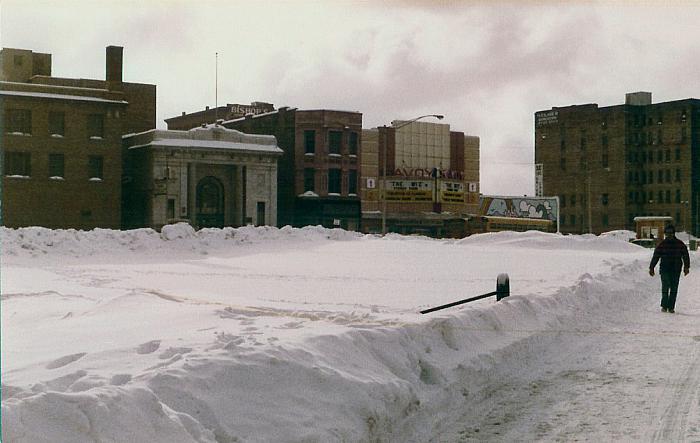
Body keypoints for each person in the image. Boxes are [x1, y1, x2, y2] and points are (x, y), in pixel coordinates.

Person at [648, 225, 690, 313]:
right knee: (665, 287)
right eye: (667, 233)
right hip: (664, 269)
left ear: (674, 233)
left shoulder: (679, 244)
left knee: (674, 289)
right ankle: (664, 305)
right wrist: (651, 267)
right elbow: (656, 256)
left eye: (671, 233)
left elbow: (685, 255)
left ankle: (671, 307)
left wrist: (686, 267)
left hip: (676, 269)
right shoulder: (662, 244)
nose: (669, 235)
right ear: (665, 234)